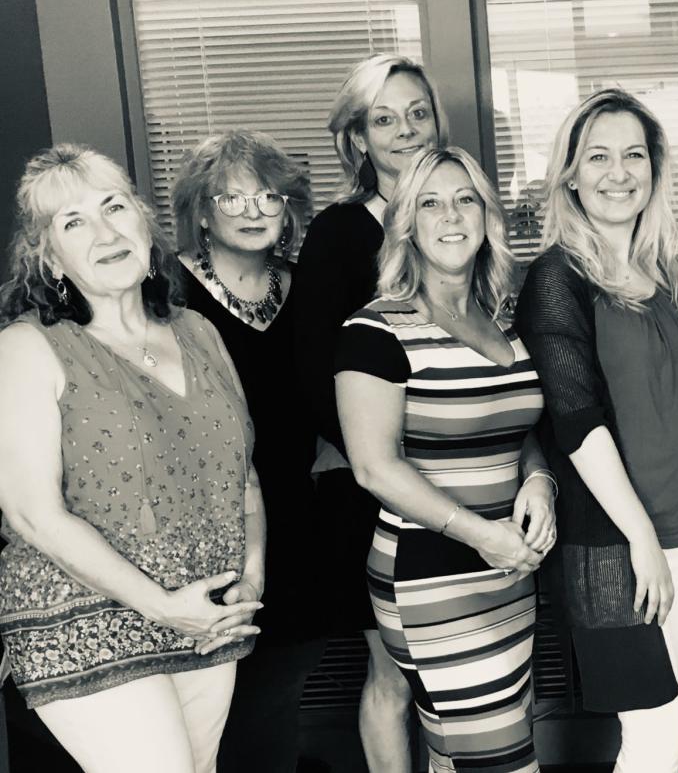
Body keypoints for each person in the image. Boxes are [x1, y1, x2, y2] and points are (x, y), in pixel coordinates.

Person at [0, 144, 264, 773]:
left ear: (144, 222)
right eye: (73, 222)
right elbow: (32, 514)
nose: (104, 231)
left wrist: (251, 580)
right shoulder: (26, 348)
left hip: (206, 616)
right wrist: (161, 604)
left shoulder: (199, 332)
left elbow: (244, 479)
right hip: (83, 620)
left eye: (114, 207)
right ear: (49, 258)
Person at [516, 89, 678, 773]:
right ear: (569, 173)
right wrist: (640, 539)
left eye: (634, 155)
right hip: (618, 544)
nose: (617, 172)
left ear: (655, 170)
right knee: (657, 736)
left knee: (664, 718)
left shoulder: (664, 271)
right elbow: (575, 422)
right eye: (597, 156)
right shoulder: (555, 278)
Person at [335, 146, 550, 773]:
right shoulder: (375, 333)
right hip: (431, 576)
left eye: (465, 200)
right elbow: (375, 468)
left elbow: (517, 429)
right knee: (497, 759)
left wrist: (540, 483)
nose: (451, 216)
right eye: (431, 202)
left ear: (487, 215)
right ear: (407, 223)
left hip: (509, 567)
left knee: (466, 753)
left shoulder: (498, 320)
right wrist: (482, 534)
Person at [291, 52, 447, 771]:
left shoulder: (460, 215)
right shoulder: (339, 232)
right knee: (392, 670)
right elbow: (314, 370)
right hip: (369, 488)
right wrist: (383, 458)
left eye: (418, 112)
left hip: (464, 478)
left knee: (455, 672)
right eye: (384, 119)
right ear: (357, 138)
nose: (406, 130)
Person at [171, 130, 323, 773]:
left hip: (298, 515)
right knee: (208, 707)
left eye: (268, 195)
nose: (255, 209)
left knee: (277, 696)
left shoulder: (309, 285)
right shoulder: (168, 292)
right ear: (201, 212)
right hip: (206, 518)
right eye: (231, 198)